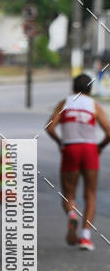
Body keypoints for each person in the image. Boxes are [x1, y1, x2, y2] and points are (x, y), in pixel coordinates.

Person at [45, 73, 110, 250]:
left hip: (70, 149)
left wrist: (60, 142)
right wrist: (100, 147)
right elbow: (109, 133)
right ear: (90, 89)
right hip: (89, 150)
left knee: (69, 194)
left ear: (73, 87)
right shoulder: (94, 105)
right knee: (90, 194)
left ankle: (72, 214)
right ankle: (85, 237)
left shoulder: (64, 103)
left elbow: (49, 127)